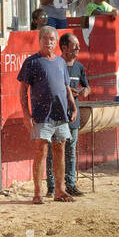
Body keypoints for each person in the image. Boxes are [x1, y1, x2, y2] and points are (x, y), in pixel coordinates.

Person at [18, 26, 77, 204]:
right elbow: (23, 90)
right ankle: (37, 193)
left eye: (52, 39)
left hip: (60, 114)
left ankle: (60, 191)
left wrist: (73, 107)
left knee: (60, 150)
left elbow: (67, 88)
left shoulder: (60, 62)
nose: (48, 42)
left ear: (55, 42)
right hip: (42, 115)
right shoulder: (32, 62)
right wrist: (26, 113)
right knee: (41, 151)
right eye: (45, 38)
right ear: (39, 40)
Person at [47, 33, 89, 198]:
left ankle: (70, 184)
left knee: (71, 151)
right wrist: (67, 91)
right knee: (53, 152)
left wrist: (85, 91)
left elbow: (87, 86)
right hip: (56, 115)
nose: (78, 48)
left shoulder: (79, 67)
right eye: (75, 45)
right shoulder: (55, 64)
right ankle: (52, 187)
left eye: (78, 45)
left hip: (73, 115)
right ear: (64, 47)